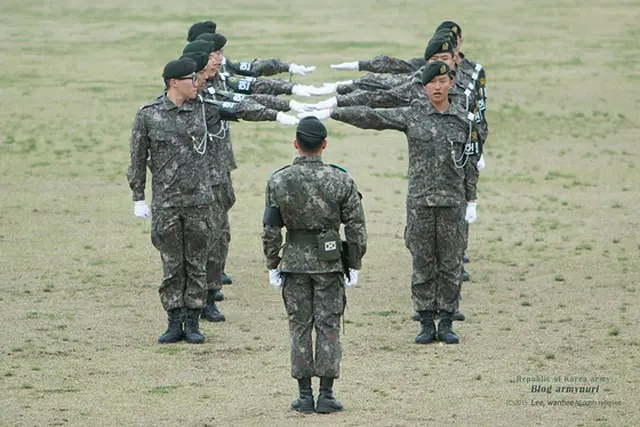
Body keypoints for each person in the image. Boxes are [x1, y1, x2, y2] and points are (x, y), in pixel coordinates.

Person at [300, 62, 479, 344]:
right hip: (420, 202)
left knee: (451, 262)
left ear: (451, 84)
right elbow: (373, 117)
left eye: (442, 81)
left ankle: (446, 320)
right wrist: (332, 112)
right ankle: (424, 320)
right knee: (422, 260)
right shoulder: (413, 115)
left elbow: (470, 163)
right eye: (432, 83)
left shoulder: (464, 120)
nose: (437, 87)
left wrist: (471, 199)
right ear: (424, 87)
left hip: (453, 202)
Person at [261, 117, 367, 413]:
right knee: (328, 326)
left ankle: (304, 394)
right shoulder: (341, 179)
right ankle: (327, 394)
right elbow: (356, 226)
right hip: (329, 263)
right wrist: (354, 262)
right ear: (324, 145)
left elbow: (271, 229)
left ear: (296, 144)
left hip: (293, 263)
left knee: (299, 326)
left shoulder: (278, 180)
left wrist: (272, 262)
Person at [127, 58, 220, 344]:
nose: (196, 84)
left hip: (199, 201)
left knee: (196, 263)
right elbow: (137, 160)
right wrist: (138, 197)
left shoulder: (204, 109)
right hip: (166, 203)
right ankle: (173, 320)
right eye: (191, 80)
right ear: (173, 83)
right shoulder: (148, 115)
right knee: (171, 265)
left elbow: (237, 107)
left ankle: (193, 321)